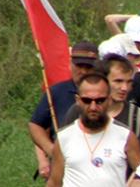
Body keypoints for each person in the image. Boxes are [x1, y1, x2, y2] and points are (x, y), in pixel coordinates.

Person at [34, 73, 140, 187]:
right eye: (87, 100)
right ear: (78, 100)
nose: (93, 106)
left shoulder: (125, 136)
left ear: (109, 100)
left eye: (99, 101)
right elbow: (54, 185)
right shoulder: (65, 137)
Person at [28, 40, 98, 179]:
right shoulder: (55, 92)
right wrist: (51, 150)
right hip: (63, 170)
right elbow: (35, 125)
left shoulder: (105, 93)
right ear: (70, 64)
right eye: (79, 66)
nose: (83, 71)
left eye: (88, 67)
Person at [61, 55, 140, 154]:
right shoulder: (79, 111)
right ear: (103, 80)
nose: (125, 88)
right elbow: (62, 148)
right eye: (118, 81)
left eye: (129, 82)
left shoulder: (136, 117)